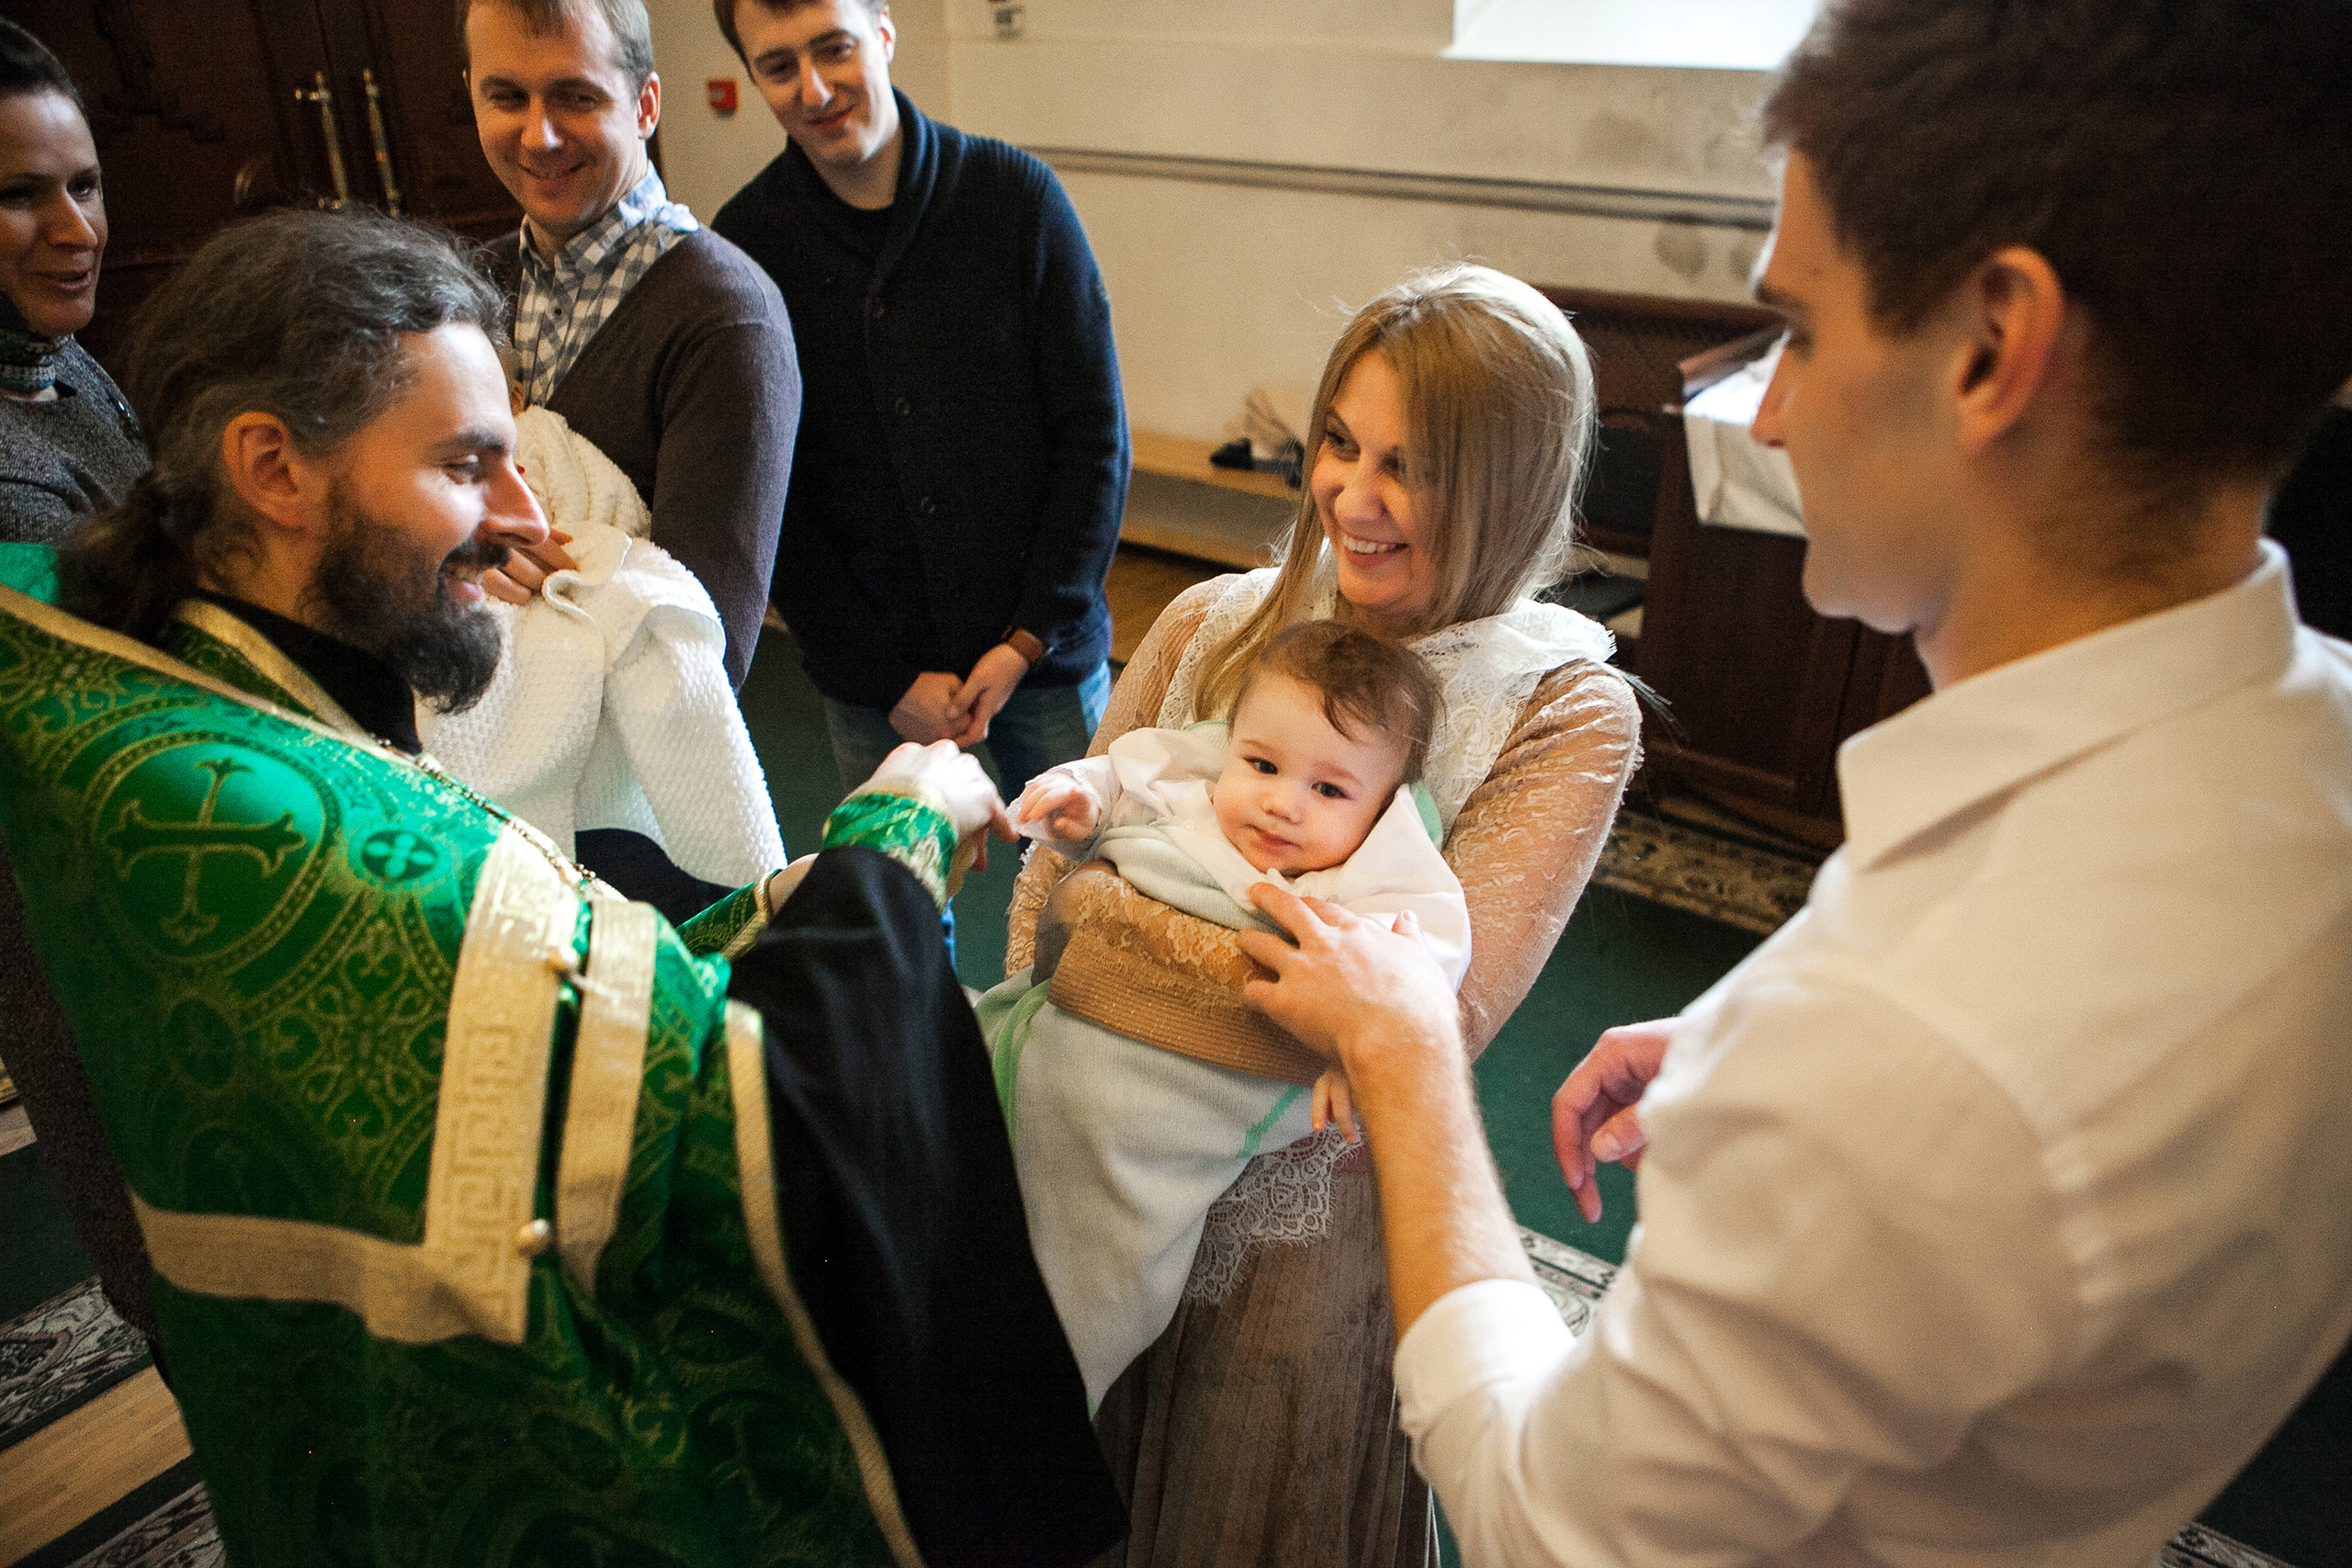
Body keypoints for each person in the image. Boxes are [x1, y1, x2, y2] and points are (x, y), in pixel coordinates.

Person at [1239, 3, 2352, 1563]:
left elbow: (1544, 1522)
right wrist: (1756, 1032)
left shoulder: (1907, 1057)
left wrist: (1415, 1052)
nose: (1767, 409)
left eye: (1803, 331)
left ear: (1988, 349)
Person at [1, 207, 1124, 1568]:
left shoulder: (165, 685)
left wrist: (797, 894)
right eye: (471, 466)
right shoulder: (263, 818)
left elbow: (556, 1001)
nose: (527, 520)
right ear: (272, 469)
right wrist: (900, 824)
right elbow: (719, 1104)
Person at [1004, 262, 1642, 1565]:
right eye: (1339, 442)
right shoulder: (1210, 620)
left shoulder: (1560, 706)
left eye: (1409, 466)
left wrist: (1126, 928)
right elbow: (1047, 894)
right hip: (1083, 1139)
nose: (1352, 496)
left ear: (1507, 484)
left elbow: (1430, 1017)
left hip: (1296, 1220)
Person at [981, 621, 1463, 1405]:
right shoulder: (1197, 798)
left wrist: (1361, 1041)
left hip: (1160, 1119)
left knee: (1084, 1275)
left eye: (1330, 790)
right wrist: (1083, 803)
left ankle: (1032, 1407)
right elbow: (1128, 784)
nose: (1281, 803)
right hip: (1051, 1034)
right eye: (1263, 764)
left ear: (1381, 813)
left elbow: (1420, 968)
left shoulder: (1368, 885)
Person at [709, 0, 1127, 804]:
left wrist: (1025, 641)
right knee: (892, 913)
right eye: (778, 65)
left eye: (835, 49)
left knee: (1089, 900)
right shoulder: (744, 247)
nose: (815, 88)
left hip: (1044, 658)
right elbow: (775, 503)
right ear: (751, 73)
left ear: (885, 32)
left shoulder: (1017, 200)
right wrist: (887, 677)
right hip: (874, 686)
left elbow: (1094, 441)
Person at [462, 0, 800, 912]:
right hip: (488, 787)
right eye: (506, 96)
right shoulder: (470, 290)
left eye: (574, 95)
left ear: (646, 104)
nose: (537, 135)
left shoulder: (722, 313)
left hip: (637, 812)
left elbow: (702, 636)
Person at [0, 17, 164, 1369]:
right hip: (96, 939)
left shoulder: (58, 364)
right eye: (17, 193)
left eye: (85, 182)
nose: (75, 227)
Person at [418, 379, 788, 894]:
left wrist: (596, 568)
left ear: (518, 396)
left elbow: (613, 518)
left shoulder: (558, 448)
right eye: (462, 466)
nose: (528, 515)